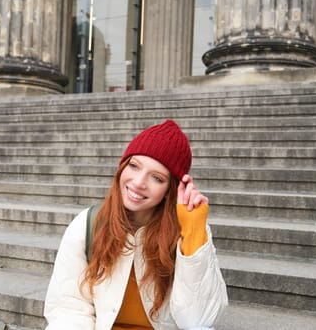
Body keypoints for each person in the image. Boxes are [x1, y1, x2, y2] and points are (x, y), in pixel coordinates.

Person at [44, 119, 228, 330]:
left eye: (157, 178)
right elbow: (68, 308)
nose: (139, 182)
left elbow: (198, 321)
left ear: (171, 189)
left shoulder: (189, 230)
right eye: (134, 166)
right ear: (122, 167)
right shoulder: (88, 224)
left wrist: (194, 231)